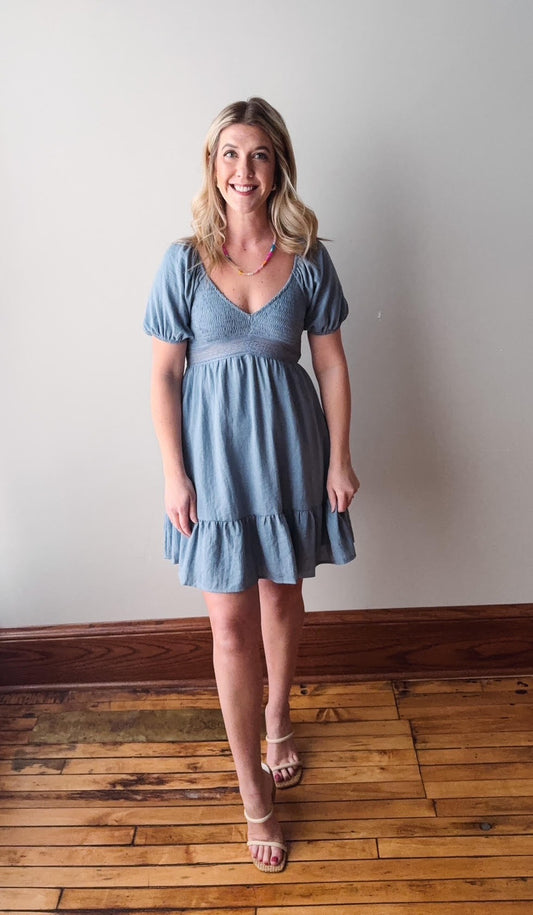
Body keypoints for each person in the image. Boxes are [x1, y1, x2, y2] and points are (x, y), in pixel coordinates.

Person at [144, 97, 360, 874]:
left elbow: (330, 363)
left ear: (278, 167)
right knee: (228, 626)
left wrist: (339, 457)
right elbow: (165, 373)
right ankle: (253, 795)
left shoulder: (306, 257)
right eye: (230, 154)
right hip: (212, 467)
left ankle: (277, 720)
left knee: (280, 598)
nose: (244, 170)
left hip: (288, 453)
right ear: (213, 166)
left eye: (260, 155)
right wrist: (174, 474)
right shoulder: (182, 260)